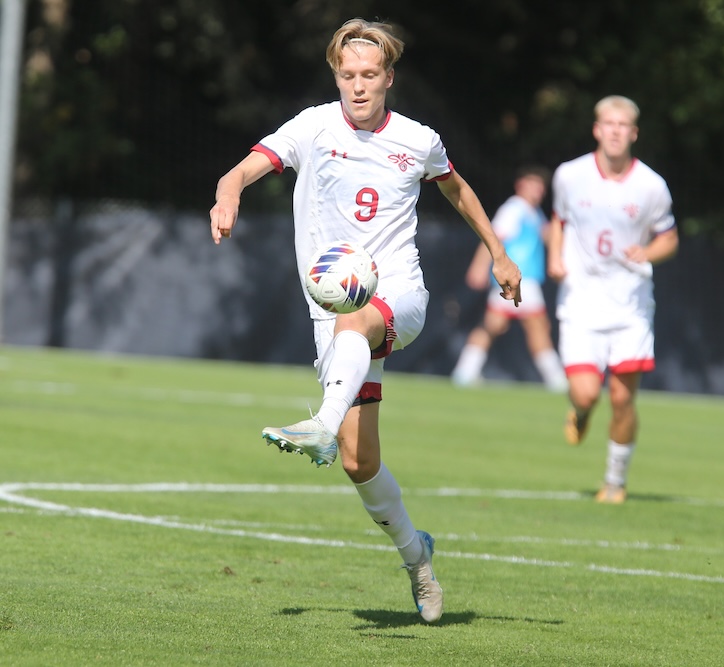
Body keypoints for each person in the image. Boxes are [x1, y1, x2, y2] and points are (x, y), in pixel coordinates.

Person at [208, 18, 521, 624]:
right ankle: (417, 556)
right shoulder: (312, 126)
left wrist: (498, 251)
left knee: (356, 327)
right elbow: (243, 168)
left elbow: (456, 188)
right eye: (348, 75)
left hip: (397, 293)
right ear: (336, 76)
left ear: (389, 78)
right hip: (333, 312)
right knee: (359, 462)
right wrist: (229, 194)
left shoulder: (416, 139)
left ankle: (321, 421)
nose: (358, 86)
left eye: (369, 75)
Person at [547, 95, 679, 505]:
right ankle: (581, 412)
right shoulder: (570, 175)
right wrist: (555, 256)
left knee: (623, 398)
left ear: (633, 133)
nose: (616, 131)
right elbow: (559, 221)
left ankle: (615, 482)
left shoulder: (652, 186)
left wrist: (648, 252)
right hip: (582, 302)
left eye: (624, 125)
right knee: (587, 393)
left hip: (630, 304)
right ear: (597, 129)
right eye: (609, 123)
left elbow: (669, 238)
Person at [451, 166, 567, 392]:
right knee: (535, 326)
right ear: (520, 185)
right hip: (518, 279)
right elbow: (493, 238)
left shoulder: (533, 213)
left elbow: (549, 235)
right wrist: (479, 267)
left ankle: (465, 372)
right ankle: (557, 381)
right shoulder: (514, 209)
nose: (538, 190)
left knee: (495, 324)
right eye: (532, 184)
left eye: (540, 186)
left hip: (524, 280)